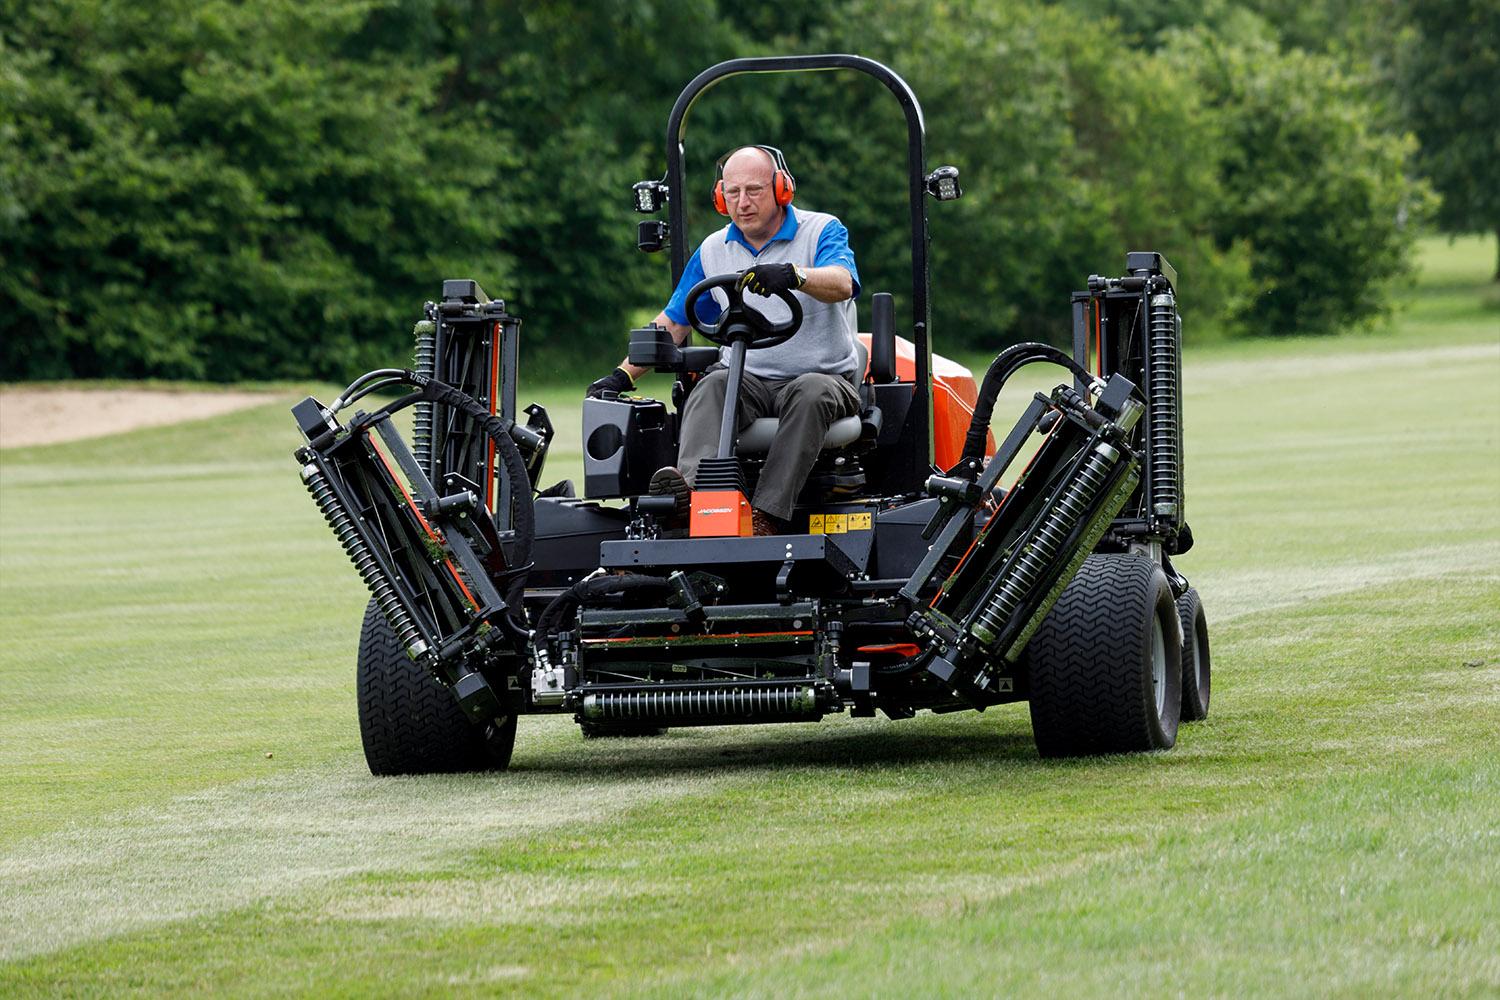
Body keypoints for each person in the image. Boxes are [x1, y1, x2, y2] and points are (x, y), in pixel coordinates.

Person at [587, 145, 861, 536]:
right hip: (747, 378)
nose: (742, 203)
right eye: (733, 193)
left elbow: (842, 282)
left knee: (811, 391)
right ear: (720, 197)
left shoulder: (821, 231)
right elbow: (674, 321)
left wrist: (796, 275)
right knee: (712, 385)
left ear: (781, 189)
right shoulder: (714, 250)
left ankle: (766, 514)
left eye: (754, 191)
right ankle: (694, 503)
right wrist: (621, 376)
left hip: (822, 376)